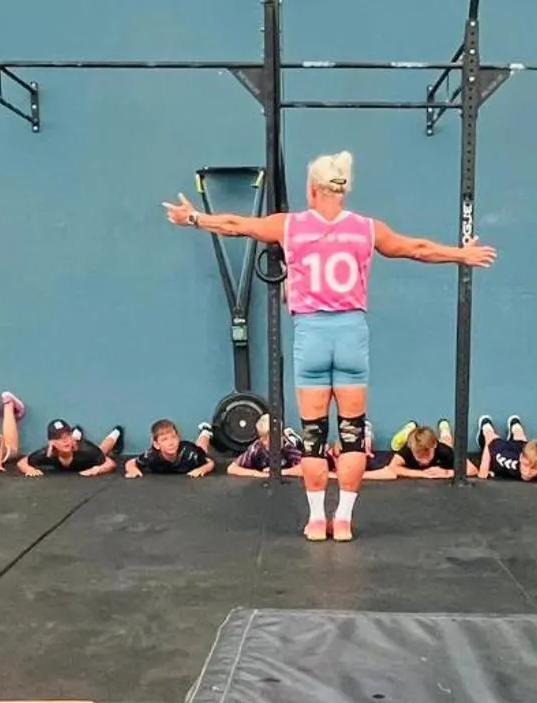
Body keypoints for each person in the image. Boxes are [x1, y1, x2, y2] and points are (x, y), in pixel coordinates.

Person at [165, 150, 496, 541]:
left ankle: (316, 519)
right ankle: (343, 520)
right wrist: (462, 254)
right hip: (351, 334)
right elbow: (417, 249)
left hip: (312, 336)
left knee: (313, 436)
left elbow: (238, 225)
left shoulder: (290, 226)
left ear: (312, 189)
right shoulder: (366, 229)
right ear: (343, 190)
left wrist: (194, 218)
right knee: (352, 433)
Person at [472, 415, 537, 482]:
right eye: (525, 465)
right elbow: (490, 443)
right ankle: (487, 425)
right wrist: (483, 469)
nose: (528, 472)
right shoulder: (506, 458)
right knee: (491, 435)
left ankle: (516, 427)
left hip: (523, 448)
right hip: (504, 448)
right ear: (521, 457)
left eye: (534, 468)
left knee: (521, 440)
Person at [19, 419, 121, 477]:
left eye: (67, 435)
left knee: (102, 450)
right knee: (72, 441)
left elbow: (110, 463)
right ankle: (77, 431)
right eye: (59, 438)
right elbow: (22, 462)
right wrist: (28, 469)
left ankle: (116, 433)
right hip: (74, 444)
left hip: (84, 457)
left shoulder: (86, 450)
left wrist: (98, 469)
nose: (65, 440)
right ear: (51, 443)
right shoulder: (46, 453)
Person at [225, 415, 308, 480]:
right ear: (261, 438)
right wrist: (256, 474)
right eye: (264, 438)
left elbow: (305, 470)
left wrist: (279, 472)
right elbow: (232, 468)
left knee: (296, 441)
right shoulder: (256, 448)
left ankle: (291, 434)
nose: (268, 441)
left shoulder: (287, 446)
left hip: (293, 443)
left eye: (273, 436)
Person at [124, 419, 215, 478]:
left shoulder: (190, 454)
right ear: (156, 445)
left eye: (173, 437)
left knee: (202, 448)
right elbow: (131, 462)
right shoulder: (151, 456)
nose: (171, 443)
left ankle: (205, 432)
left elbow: (210, 462)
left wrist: (202, 470)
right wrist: (132, 470)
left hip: (191, 451)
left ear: (178, 438)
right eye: (164, 440)